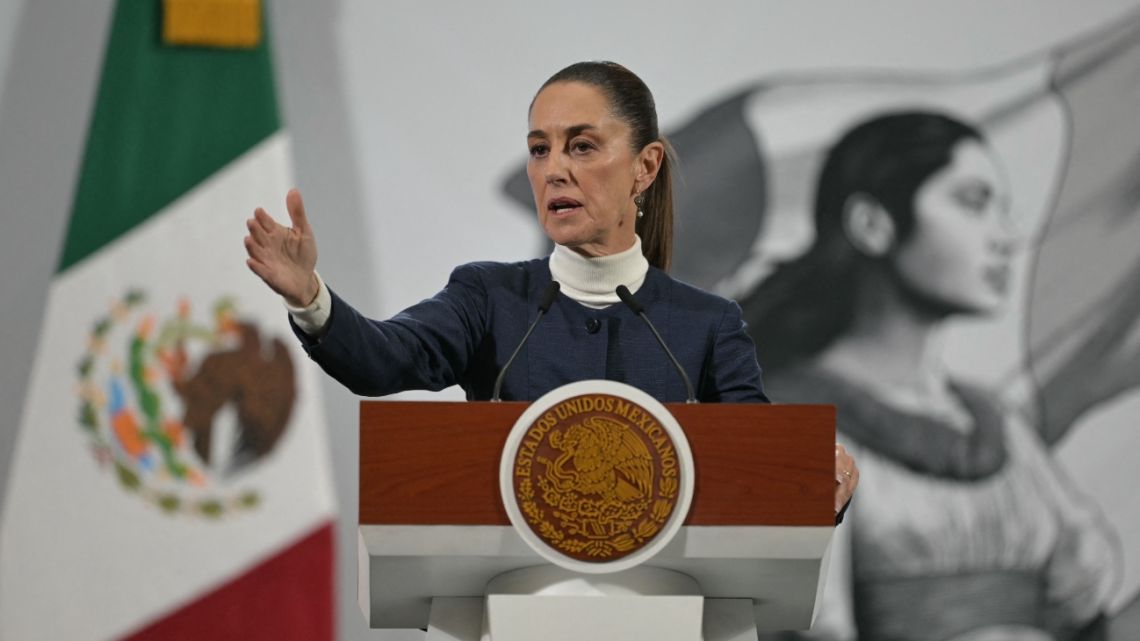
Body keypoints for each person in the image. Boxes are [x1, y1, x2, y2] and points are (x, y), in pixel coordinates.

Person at [242, 61, 859, 516]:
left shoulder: (706, 324)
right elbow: (381, 361)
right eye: (540, 150)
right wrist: (309, 297)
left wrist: (817, 482)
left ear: (644, 167)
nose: (554, 169)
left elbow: (763, 465)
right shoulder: (489, 298)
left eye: (582, 146)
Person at [745, 112, 1119, 640]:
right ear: (873, 224)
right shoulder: (776, 426)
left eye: (1003, 209)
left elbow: (1082, 604)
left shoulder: (998, 426)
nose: (1006, 237)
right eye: (972, 202)